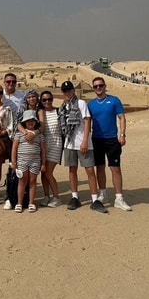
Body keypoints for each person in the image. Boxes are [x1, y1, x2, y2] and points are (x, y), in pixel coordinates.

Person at [87, 77, 132, 212]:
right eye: (95, 86)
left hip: (112, 139)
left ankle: (119, 198)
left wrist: (122, 134)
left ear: (105, 86)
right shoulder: (91, 104)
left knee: (115, 168)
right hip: (97, 139)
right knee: (100, 168)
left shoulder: (114, 100)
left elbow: (122, 118)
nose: (98, 88)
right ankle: (103, 194)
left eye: (100, 85)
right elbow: (87, 122)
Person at [58, 81, 103, 213]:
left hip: (83, 143)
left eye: (69, 90)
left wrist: (85, 141)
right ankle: (75, 197)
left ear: (73, 90)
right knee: (72, 170)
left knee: (90, 171)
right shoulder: (63, 106)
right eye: (65, 90)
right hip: (69, 143)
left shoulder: (81, 103)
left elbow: (87, 121)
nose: (67, 92)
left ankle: (94, 199)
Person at [10, 110, 46, 213]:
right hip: (22, 161)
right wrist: (13, 162)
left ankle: (31, 202)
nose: (30, 122)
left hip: (35, 161)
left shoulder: (40, 135)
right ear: (24, 122)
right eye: (28, 120)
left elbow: (43, 150)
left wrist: (43, 164)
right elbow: (14, 148)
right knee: (22, 181)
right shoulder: (19, 134)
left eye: (32, 120)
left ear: (36, 122)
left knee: (33, 181)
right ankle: (19, 203)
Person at [39, 90, 63, 207]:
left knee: (48, 172)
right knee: (43, 172)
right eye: (44, 100)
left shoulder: (59, 111)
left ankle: (56, 197)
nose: (47, 102)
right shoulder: (40, 112)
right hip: (43, 144)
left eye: (49, 99)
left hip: (56, 144)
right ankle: (46, 196)